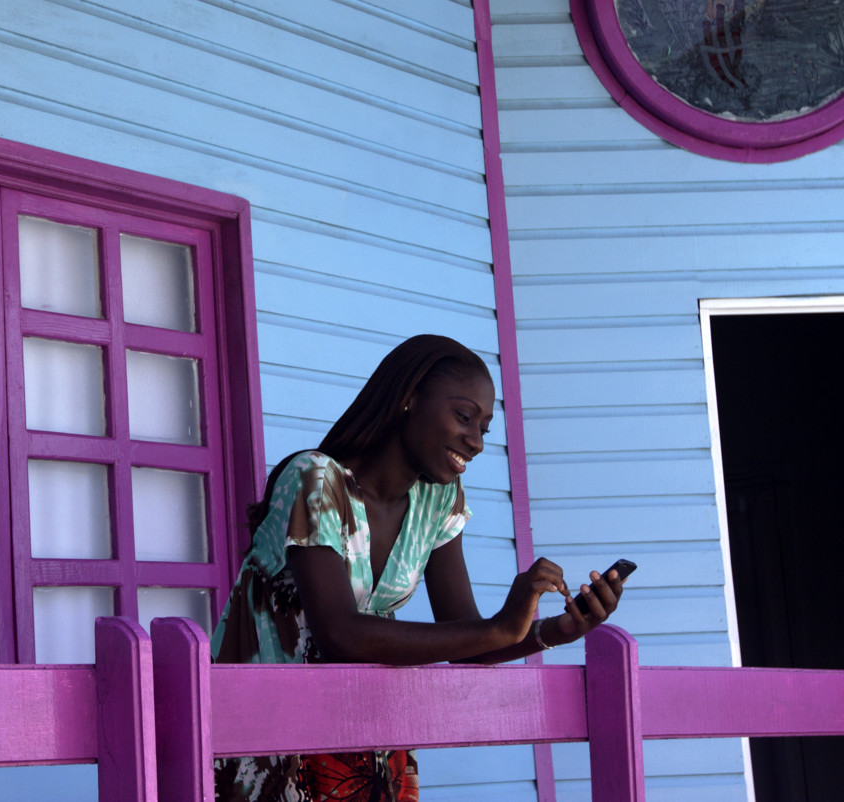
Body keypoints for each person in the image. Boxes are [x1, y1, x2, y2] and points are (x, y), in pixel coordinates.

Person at [210, 334, 626, 802]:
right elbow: (340, 633)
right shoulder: (317, 479)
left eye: (485, 427)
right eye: (464, 417)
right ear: (408, 399)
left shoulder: (438, 500)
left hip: (364, 747)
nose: (477, 441)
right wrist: (500, 629)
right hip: (265, 743)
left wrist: (556, 628)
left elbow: (471, 641)